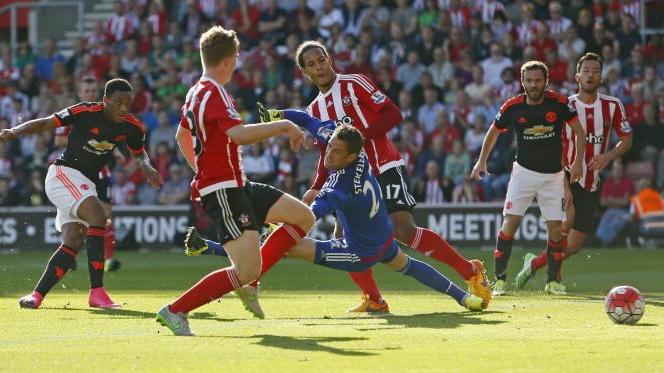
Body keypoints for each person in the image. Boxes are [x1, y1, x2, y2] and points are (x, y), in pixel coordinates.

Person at [185, 40, 491, 313]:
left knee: (403, 230)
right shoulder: (315, 108)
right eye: (311, 65)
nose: (319, 67)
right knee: (345, 241)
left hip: (382, 166)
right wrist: (317, 187)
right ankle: (374, 299)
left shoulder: (354, 82)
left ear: (330, 59)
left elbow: (392, 114)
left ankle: (470, 271)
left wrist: (357, 141)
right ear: (305, 72)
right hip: (349, 184)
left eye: (322, 60)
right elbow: (326, 155)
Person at [184, 122, 485, 328]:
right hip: (382, 237)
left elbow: (310, 214)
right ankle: (462, 297)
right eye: (329, 148)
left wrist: (282, 211)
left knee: (286, 246)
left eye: (337, 152)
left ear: (351, 155)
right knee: (407, 264)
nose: (329, 154)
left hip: (359, 253)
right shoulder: (361, 157)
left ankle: (213, 250)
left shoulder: (337, 188)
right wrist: (288, 119)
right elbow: (312, 121)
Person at [155, 26, 315, 336]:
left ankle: (249, 284)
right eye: (237, 57)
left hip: (235, 183)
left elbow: (181, 136)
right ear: (229, 60)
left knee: (303, 217)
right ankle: (176, 310)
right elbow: (238, 135)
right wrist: (284, 125)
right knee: (244, 269)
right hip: (223, 190)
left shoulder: (195, 91)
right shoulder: (214, 92)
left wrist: (199, 170)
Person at [0, 78, 162, 309]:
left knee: (73, 241)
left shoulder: (132, 126)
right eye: (118, 102)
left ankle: (36, 295)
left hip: (85, 184)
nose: (123, 108)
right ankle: (97, 292)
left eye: (128, 103)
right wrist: (15, 131)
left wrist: (145, 165)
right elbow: (47, 123)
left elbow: (139, 152)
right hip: (63, 174)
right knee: (98, 217)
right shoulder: (85, 111)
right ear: (105, 100)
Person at [515, 53, 633, 291]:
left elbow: (627, 140)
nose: (591, 75)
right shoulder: (565, 105)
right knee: (564, 226)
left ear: (602, 76)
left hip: (592, 182)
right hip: (564, 173)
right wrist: (564, 183)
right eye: (586, 70)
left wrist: (608, 156)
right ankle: (554, 282)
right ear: (577, 76)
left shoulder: (612, 105)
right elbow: (554, 144)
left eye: (596, 71)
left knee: (574, 246)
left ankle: (533, 263)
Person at [471, 60, 586, 296]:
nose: (533, 85)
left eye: (538, 80)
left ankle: (552, 282)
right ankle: (500, 282)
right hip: (523, 173)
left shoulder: (560, 103)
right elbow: (493, 131)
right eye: (529, 80)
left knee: (555, 231)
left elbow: (579, 132)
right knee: (509, 225)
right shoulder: (513, 106)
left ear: (546, 81)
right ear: (522, 82)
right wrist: (482, 160)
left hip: (553, 176)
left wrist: (576, 163)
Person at [54, 77, 123, 272]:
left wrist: (115, 152)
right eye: (87, 91)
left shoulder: (107, 115)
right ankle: (70, 254)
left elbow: (113, 139)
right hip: (77, 173)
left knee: (106, 214)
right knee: (77, 216)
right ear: (79, 93)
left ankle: (109, 259)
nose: (90, 94)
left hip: (102, 173)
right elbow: (58, 140)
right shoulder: (74, 115)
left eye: (94, 90)